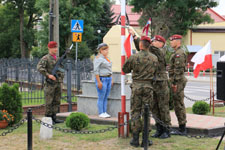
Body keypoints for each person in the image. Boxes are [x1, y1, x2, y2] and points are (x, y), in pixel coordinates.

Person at [129, 28, 171, 139]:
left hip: (161, 83)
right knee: (154, 108)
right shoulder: (152, 51)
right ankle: (159, 129)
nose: (153, 43)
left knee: (163, 107)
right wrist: (135, 38)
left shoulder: (162, 51)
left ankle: (166, 129)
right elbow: (142, 48)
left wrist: (138, 37)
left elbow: (147, 46)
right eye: (152, 41)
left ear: (161, 43)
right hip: (153, 82)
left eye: (155, 41)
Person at [122, 36, 158, 147]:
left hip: (137, 87)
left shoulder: (134, 57)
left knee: (136, 112)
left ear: (140, 45)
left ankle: (135, 139)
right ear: (149, 45)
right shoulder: (154, 58)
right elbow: (155, 72)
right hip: (148, 87)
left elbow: (125, 69)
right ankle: (146, 140)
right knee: (146, 113)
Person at [37, 41, 64, 124]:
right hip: (50, 84)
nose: (55, 49)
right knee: (49, 101)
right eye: (53, 48)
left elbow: (61, 69)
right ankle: (48, 118)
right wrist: (48, 75)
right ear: (49, 48)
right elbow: (40, 67)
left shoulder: (58, 58)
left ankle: (54, 117)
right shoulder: (46, 58)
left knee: (57, 100)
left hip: (57, 82)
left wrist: (61, 77)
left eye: (56, 47)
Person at [168, 34, 188, 135]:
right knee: (177, 104)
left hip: (178, 82)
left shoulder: (179, 54)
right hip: (176, 81)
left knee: (179, 105)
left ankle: (182, 128)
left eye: (173, 40)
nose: (171, 42)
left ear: (178, 41)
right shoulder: (176, 53)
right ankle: (182, 127)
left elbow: (178, 70)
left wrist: (175, 83)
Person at [93, 43, 113, 118]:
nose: (107, 51)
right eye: (105, 49)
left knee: (105, 96)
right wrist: (98, 82)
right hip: (102, 79)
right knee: (101, 96)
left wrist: (111, 78)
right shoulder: (98, 58)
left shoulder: (106, 58)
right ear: (100, 50)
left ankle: (104, 111)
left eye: (107, 49)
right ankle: (101, 112)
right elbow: (96, 71)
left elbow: (109, 69)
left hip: (108, 78)